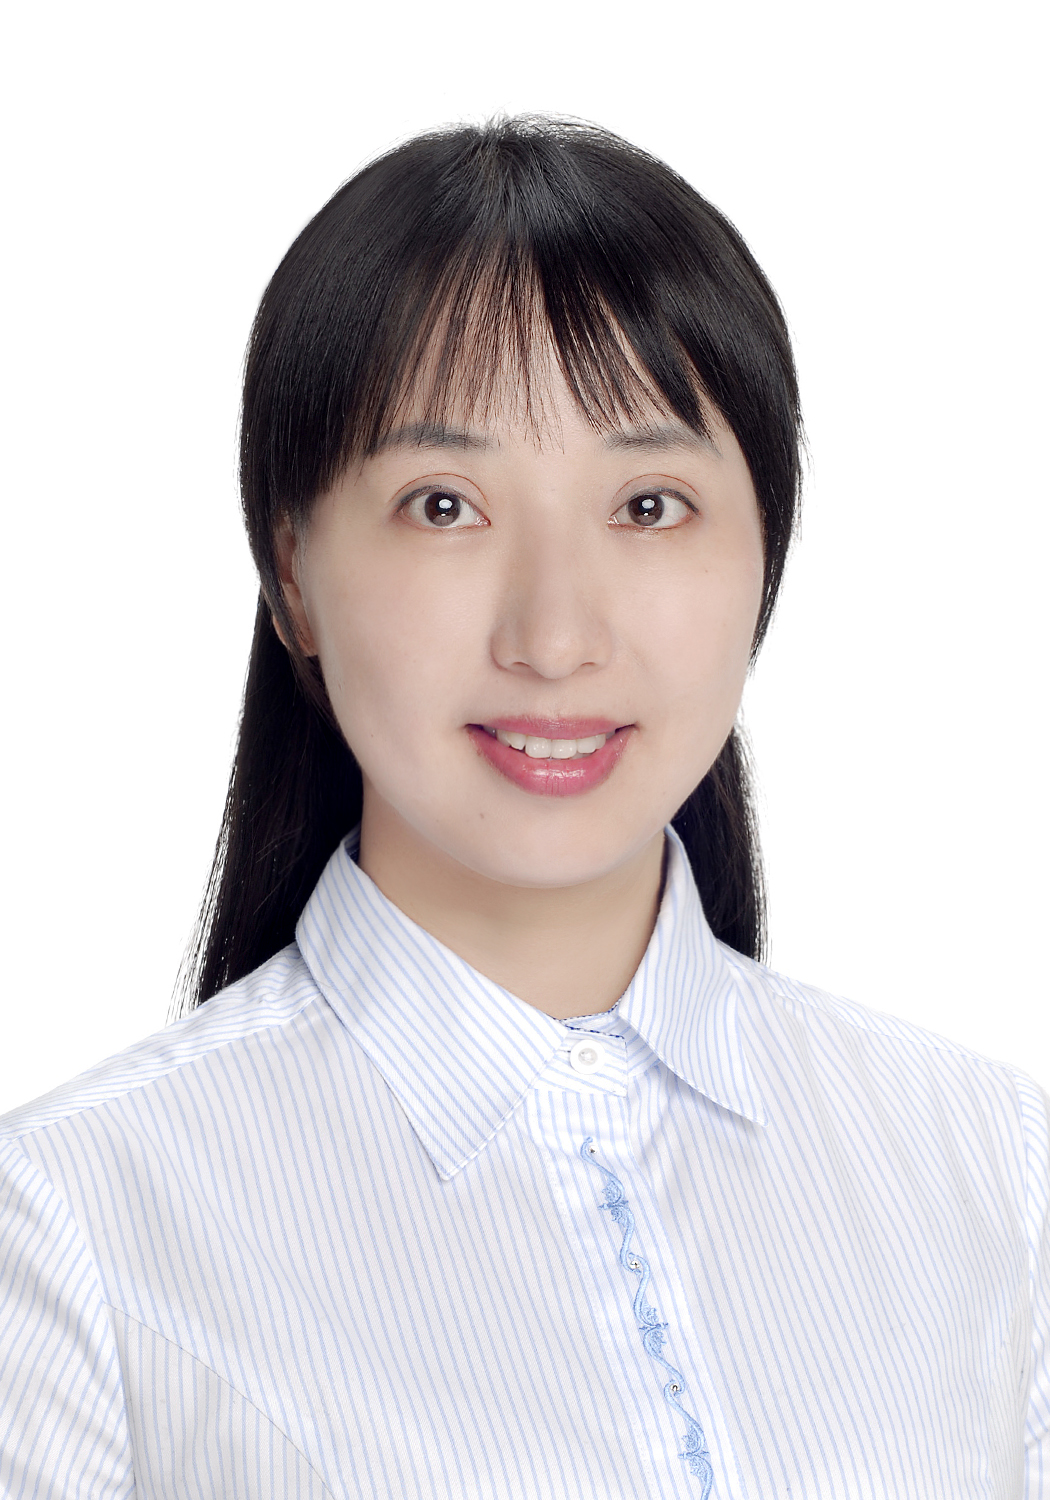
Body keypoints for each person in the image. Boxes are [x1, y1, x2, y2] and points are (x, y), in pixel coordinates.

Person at [0, 118, 1046, 1500]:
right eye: (444, 505)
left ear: (766, 558)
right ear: (293, 574)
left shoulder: (993, 1166)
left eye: (649, 505)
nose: (554, 639)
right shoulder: (69, 1222)